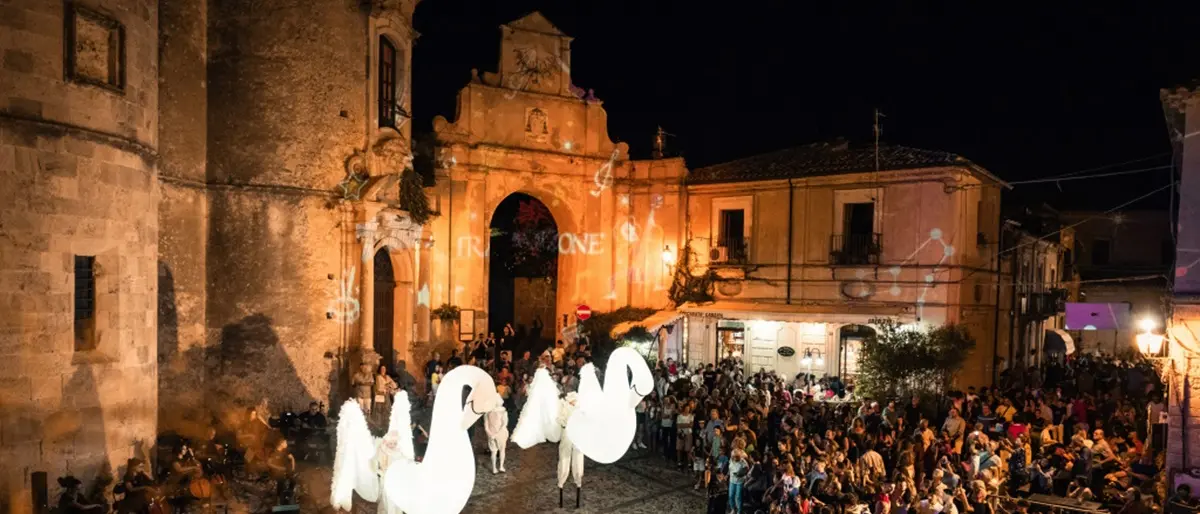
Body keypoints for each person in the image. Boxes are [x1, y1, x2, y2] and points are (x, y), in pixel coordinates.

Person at [485, 388, 510, 474]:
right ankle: (501, 466)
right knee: (502, 450)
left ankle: (494, 468)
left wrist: (490, 434)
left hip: (492, 433)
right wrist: (495, 434)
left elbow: (486, 426)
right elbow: (504, 424)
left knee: (494, 451)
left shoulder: (487, 412)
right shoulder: (503, 412)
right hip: (500, 433)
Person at [267, 439, 297, 505]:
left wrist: (293, 468)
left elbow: (292, 458)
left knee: (293, 481)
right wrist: (279, 468)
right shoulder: (273, 452)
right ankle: (278, 499)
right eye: (285, 443)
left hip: (286, 471)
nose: (286, 444)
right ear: (281, 444)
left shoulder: (286, 451)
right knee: (281, 483)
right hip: (277, 472)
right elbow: (269, 463)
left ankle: (289, 495)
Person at [728, 449, 748, 514]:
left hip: (740, 481)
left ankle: (739, 511)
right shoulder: (731, 460)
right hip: (732, 480)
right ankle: (733, 509)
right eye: (733, 457)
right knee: (731, 495)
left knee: (738, 496)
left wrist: (741, 473)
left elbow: (747, 469)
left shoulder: (743, 462)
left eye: (736, 457)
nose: (735, 458)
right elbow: (730, 469)